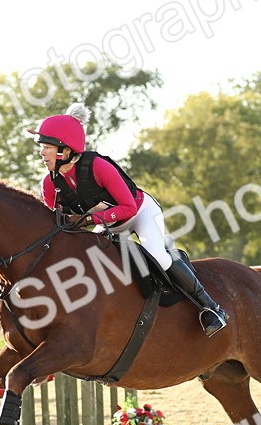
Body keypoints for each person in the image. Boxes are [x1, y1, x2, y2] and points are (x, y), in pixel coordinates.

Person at [27, 103, 227, 336]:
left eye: (47, 147)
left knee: (156, 254)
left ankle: (210, 308)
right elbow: (55, 225)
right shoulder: (49, 184)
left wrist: (89, 219)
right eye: (42, 147)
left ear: (65, 150)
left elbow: (128, 207)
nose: (42, 152)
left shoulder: (98, 167)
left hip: (140, 212)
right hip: (108, 223)